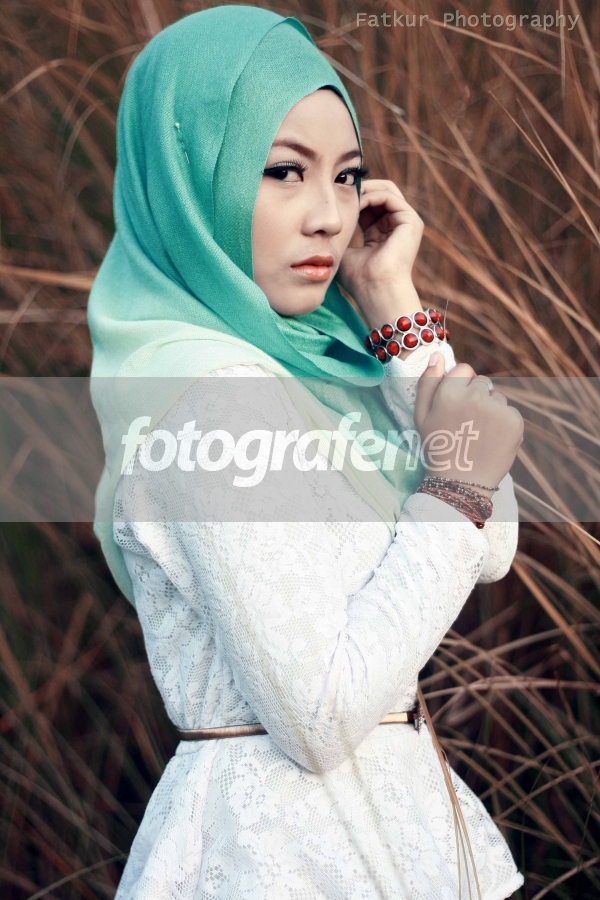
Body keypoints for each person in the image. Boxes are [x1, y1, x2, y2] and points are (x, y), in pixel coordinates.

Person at [87, 6, 525, 898]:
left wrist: (394, 307)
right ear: (191, 177)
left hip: (402, 841)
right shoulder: (208, 397)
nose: (330, 217)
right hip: (281, 860)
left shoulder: (317, 363)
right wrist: (453, 486)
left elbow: (491, 542)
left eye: (348, 176)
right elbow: (316, 719)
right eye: (284, 171)